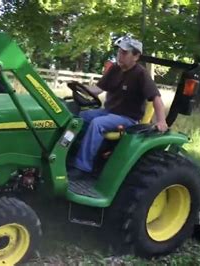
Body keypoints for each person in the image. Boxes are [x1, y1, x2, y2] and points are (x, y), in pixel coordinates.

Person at [69, 36, 168, 179]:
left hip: (127, 118)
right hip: (108, 112)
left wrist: (161, 121)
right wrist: (80, 87)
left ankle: (82, 167)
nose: (119, 55)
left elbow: (156, 98)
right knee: (80, 117)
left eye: (124, 53)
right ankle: (73, 155)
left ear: (136, 56)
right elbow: (97, 89)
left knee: (98, 124)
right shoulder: (115, 69)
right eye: (119, 52)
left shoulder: (141, 74)